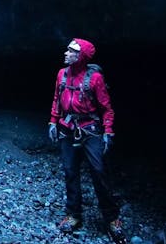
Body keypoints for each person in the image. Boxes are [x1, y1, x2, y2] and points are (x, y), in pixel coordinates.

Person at [48, 38, 126, 243]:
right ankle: (73, 214)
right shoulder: (61, 74)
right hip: (67, 128)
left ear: (80, 56)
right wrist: (53, 122)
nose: (65, 53)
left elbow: (106, 107)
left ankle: (111, 217)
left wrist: (108, 132)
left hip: (90, 130)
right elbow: (57, 99)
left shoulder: (95, 79)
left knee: (99, 171)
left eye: (71, 51)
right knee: (70, 171)